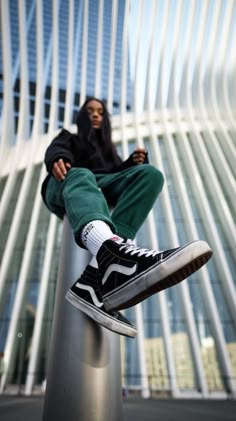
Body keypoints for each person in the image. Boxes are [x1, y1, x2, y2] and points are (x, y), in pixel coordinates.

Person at [41, 98, 212, 338]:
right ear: (82, 116)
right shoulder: (70, 137)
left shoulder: (108, 151)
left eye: (101, 112)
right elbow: (56, 149)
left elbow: (115, 175)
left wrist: (131, 164)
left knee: (151, 175)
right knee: (82, 174)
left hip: (100, 183)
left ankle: (92, 282)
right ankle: (110, 255)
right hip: (65, 182)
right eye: (90, 111)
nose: (96, 115)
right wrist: (57, 158)